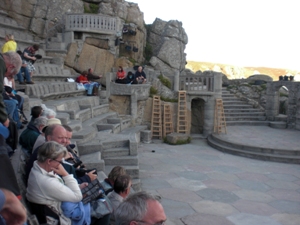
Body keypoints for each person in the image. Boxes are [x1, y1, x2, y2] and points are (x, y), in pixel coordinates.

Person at [26, 141, 84, 224]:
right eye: (60, 161)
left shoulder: (37, 166)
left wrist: (78, 186)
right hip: (58, 220)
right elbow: (77, 197)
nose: (61, 164)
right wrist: (65, 174)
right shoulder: (46, 182)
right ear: (49, 161)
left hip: (57, 211)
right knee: (101, 209)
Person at [0, 51, 22, 128]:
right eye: (11, 74)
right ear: (11, 67)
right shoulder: (1, 65)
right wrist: (4, 119)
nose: (6, 77)